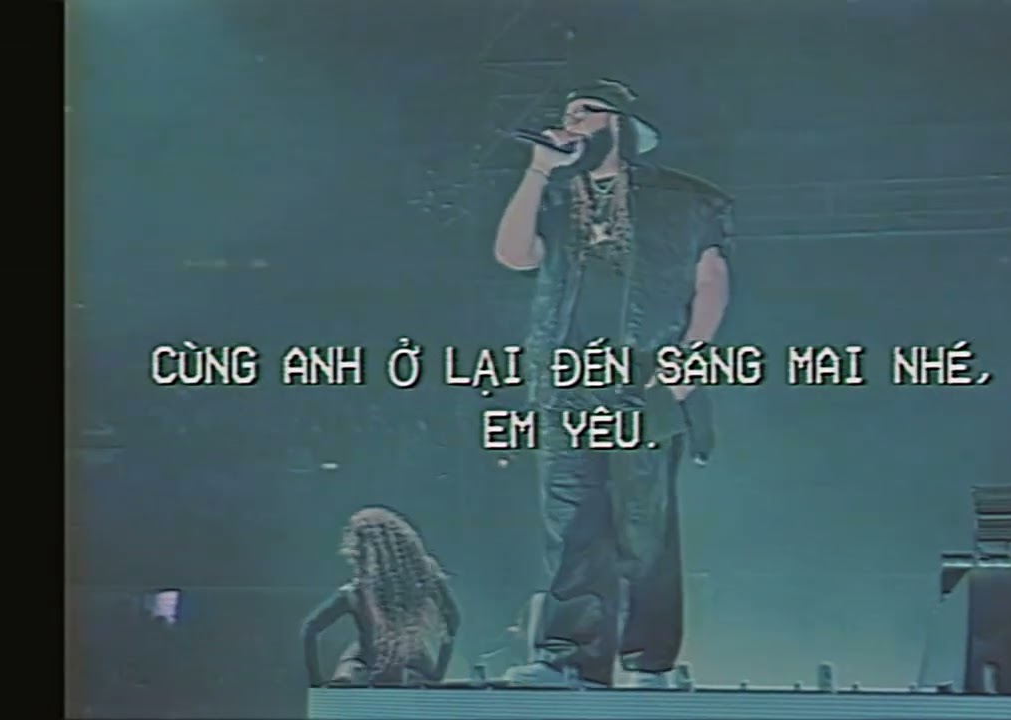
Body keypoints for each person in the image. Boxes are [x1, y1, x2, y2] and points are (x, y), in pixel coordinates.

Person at [493, 79, 733, 689]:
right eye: (566, 112)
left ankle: (649, 661)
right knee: (570, 525)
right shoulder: (554, 197)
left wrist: (690, 360)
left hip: (644, 381)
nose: (571, 121)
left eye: (586, 112)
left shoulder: (681, 199)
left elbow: (710, 279)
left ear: (619, 123)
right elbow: (514, 255)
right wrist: (537, 170)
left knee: (643, 527)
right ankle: (569, 657)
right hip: (567, 385)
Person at [300, 506, 461, 687]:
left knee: (349, 677)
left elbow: (311, 627)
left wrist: (316, 683)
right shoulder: (423, 581)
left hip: (380, 665)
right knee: (349, 677)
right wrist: (438, 672)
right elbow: (453, 619)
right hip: (393, 665)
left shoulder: (356, 593)